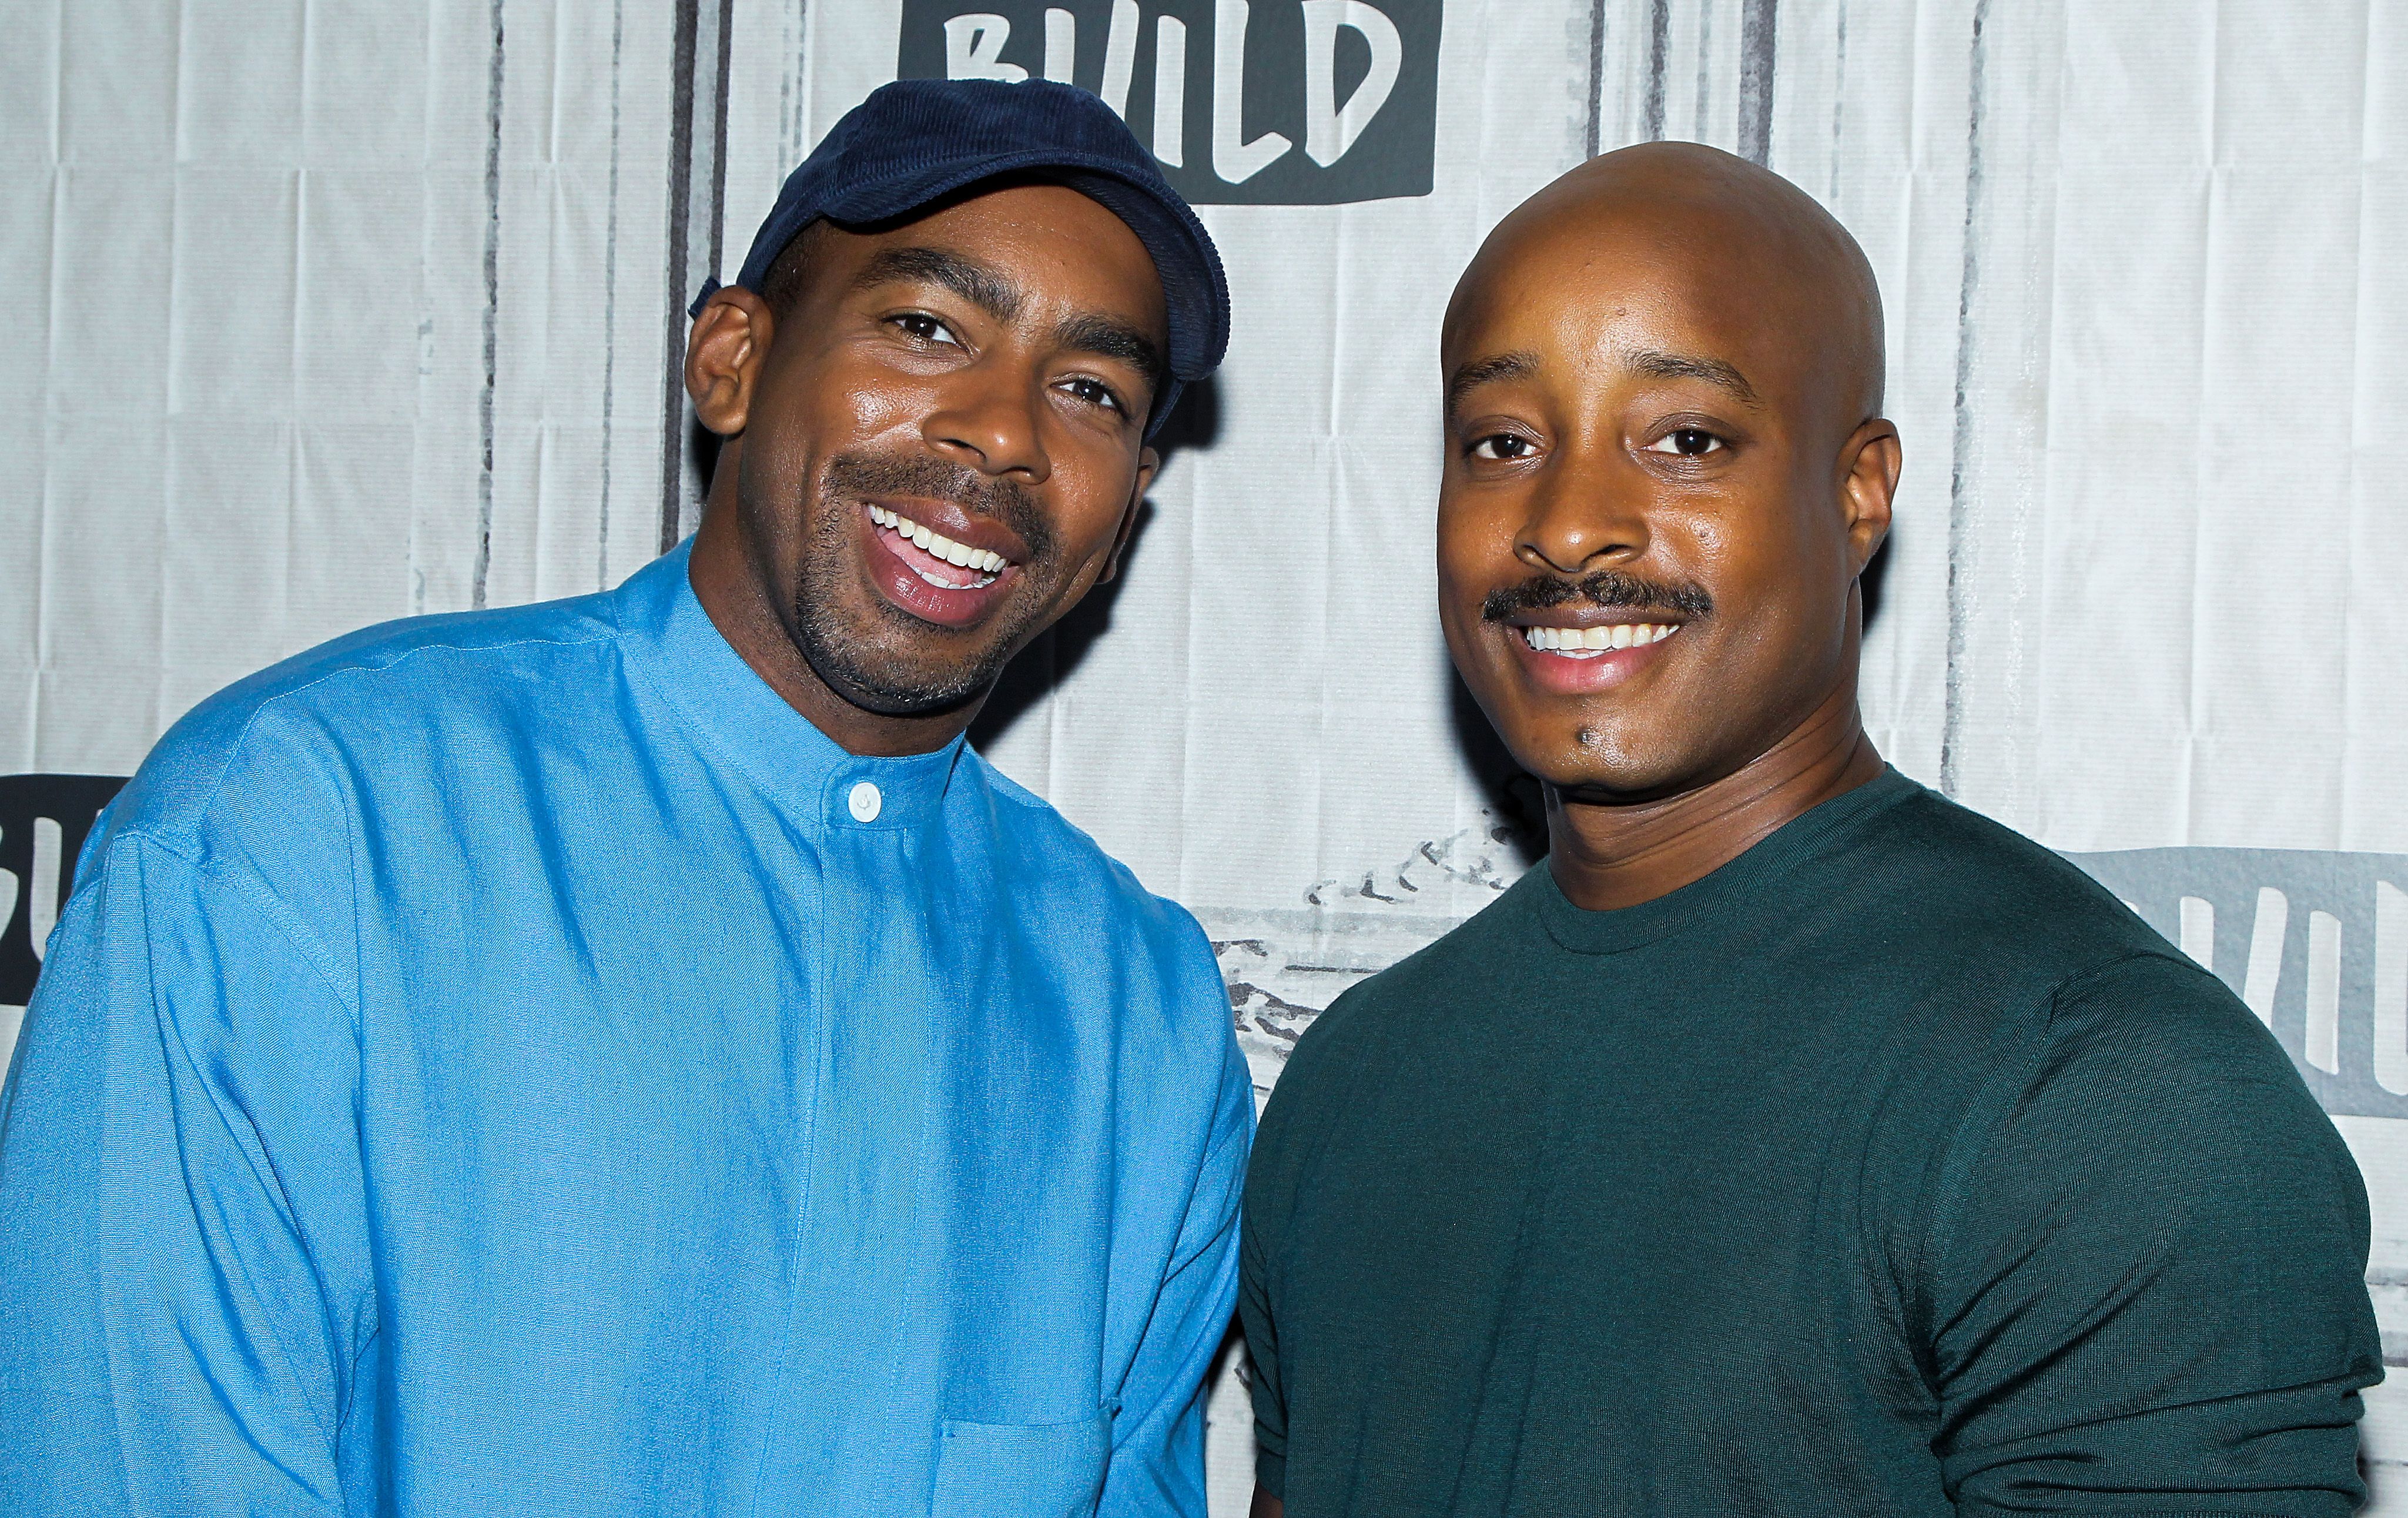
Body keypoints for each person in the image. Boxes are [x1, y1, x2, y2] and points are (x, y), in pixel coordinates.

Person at [0, 79, 1252, 1517]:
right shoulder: (302, 825)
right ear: (730, 359)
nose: (1002, 430)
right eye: (926, 327)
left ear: (1129, 502)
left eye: (1092, 390)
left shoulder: (1140, 1015)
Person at [1240, 142, 2381, 1515]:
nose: (1568, 525)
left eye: (1685, 441)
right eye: (1503, 443)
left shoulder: (2109, 1088)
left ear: (1860, 492)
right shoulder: (1354, 1081)